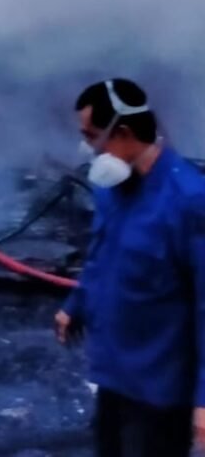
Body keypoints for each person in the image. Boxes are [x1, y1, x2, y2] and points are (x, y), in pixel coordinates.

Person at [55, 79, 205, 457]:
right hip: (113, 375)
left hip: (159, 391)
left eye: (91, 136)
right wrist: (76, 305)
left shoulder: (189, 202)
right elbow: (101, 256)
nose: (87, 148)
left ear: (122, 132)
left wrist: (204, 400)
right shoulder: (112, 188)